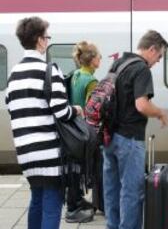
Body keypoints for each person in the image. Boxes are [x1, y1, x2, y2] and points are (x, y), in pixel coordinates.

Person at [5, 16, 83, 229]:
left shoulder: (14, 74)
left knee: (37, 200)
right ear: (39, 40)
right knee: (52, 204)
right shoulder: (49, 70)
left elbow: (12, 107)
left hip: (25, 151)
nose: (48, 40)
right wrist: (75, 110)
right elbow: (61, 112)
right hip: (48, 151)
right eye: (47, 36)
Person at [103, 30, 168, 229]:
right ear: (151, 49)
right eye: (159, 56)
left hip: (109, 137)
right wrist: (159, 113)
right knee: (132, 190)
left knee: (111, 189)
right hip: (130, 139)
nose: (157, 61)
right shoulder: (141, 69)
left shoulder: (118, 63)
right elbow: (141, 105)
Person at [65, 41, 102, 223]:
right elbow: (92, 111)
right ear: (92, 59)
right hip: (83, 130)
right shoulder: (92, 81)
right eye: (99, 56)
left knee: (74, 168)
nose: (101, 59)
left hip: (71, 128)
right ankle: (74, 207)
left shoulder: (75, 75)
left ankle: (76, 201)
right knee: (83, 168)